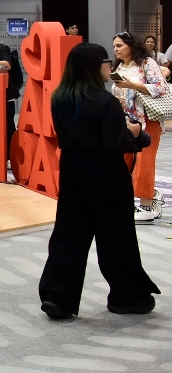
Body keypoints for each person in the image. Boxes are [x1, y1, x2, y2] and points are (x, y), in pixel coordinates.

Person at [38, 43, 161, 320]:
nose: (110, 66)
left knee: (68, 236)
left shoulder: (60, 97)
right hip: (106, 175)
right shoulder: (105, 101)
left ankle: (57, 297)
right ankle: (127, 296)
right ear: (95, 66)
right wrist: (134, 133)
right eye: (106, 61)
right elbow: (115, 144)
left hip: (72, 172)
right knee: (116, 238)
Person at [111, 32, 169, 222]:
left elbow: (161, 87)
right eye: (114, 46)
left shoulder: (147, 63)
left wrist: (132, 85)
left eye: (119, 45)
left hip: (148, 121)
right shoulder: (120, 66)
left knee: (144, 161)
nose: (116, 49)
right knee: (125, 161)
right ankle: (151, 194)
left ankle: (147, 206)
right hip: (127, 121)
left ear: (131, 45)